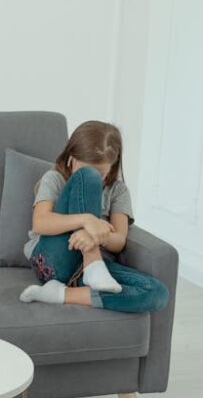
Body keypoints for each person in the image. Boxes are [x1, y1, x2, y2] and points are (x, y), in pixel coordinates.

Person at [19, 120, 169, 312]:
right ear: (71, 159)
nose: (99, 178)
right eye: (84, 167)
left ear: (112, 167)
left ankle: (61, 294)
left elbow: (119, 241)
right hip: (52, 261)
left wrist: (96, 236)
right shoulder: (54, 178)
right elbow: (40, 223)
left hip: (94, 269)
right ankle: (93, 263)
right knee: (86, 178)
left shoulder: (118, 191)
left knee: (157, 292)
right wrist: (88, 221)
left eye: (102, 173)